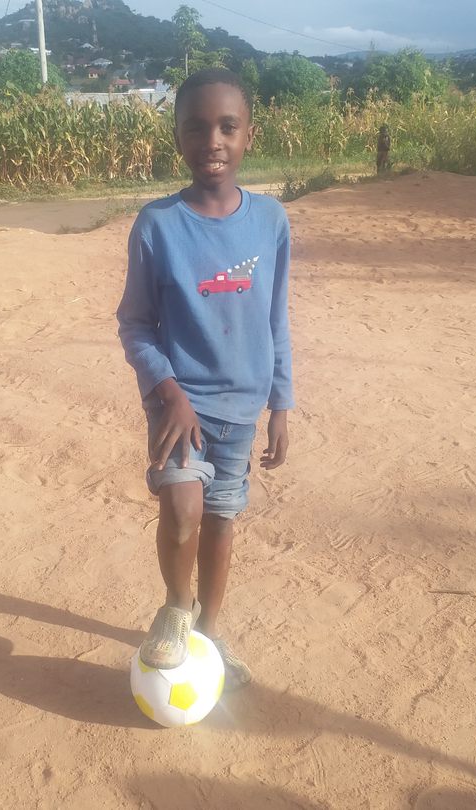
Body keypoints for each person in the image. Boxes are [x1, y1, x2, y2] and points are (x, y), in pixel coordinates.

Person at [116, 68, 294, 691]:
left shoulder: (270, 221)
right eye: (195, 127)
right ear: (177, 136)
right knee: (183, 508)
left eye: (227, 127)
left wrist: (281, 404)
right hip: (180, 405)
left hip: (243, 406)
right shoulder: (158, 225)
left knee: (221, 521)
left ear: (249, 135)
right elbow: (135, 324)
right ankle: (175, 608)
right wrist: (169, 392)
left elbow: (276, 318)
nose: (211, 140)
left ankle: (210, 633)